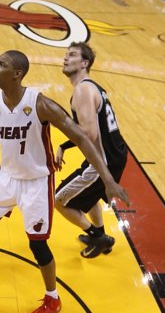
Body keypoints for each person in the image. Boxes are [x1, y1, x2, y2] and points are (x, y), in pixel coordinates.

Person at [0, 50, 130, 313]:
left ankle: (52, 298)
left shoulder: (40, 104)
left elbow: (81, 136)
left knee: (38, 246)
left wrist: (107, 179)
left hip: (36, 182)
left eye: (1, 65)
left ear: (17, 74)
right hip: (6, 178)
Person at [54, 42, 128, 258]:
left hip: (103, 160)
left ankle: (98, 237)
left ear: (84, 63)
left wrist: (63, 144)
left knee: (59, 200)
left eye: (72, 55)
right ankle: (100, 235)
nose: (66, 58)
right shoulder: (91, 86)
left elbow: (89, 134)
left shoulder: (83, 90)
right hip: (112, 154)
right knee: (90, 195)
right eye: (66, 54)